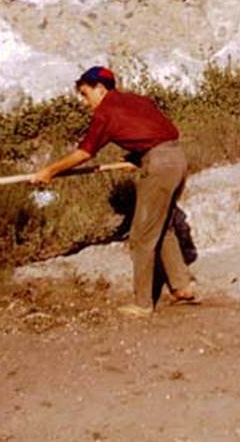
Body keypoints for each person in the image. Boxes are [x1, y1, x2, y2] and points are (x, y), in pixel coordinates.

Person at [32, 66, 199, 317]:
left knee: (141, 236)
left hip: (159, 165)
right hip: (177, 158)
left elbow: (85, 153)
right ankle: (182, 286)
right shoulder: (136, 100)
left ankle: (142, 304)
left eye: (85, 94)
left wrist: (50, 171)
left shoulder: (105, 111)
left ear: (100, 89)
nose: (85, 102)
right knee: (163, 227)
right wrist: (138, 154)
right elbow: (160, 130)